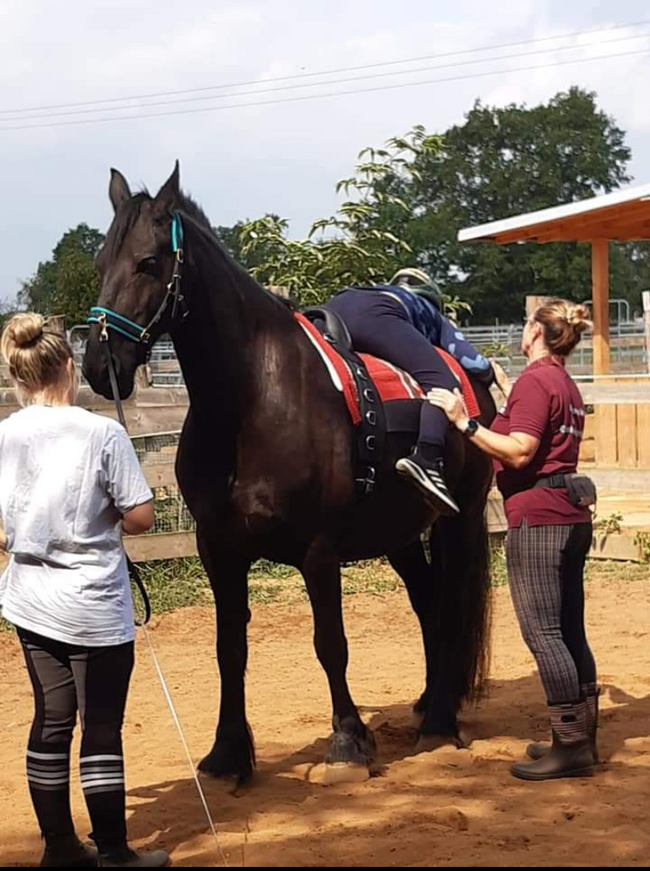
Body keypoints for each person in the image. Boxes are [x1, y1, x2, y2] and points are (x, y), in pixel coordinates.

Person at [0, 314, 170, 868]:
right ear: (69, 369)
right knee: (100, 727)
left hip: (30, 597)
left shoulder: (5, 434)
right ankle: (116, 853)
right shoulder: (102, 432)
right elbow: (141, 517)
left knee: (50, 721)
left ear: (20, 377)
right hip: (93, 601)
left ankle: (59, 848)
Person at [428, 299, 598, 782]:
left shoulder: (535, 383)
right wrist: (507, 394)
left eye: (526, 324)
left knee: (543, 634)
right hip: (569, 515)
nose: (520, 331)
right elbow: (535, 435)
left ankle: (570, 747)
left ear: (536, 333)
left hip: (537, 519)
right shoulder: (561, 383)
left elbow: (520, 452)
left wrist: (464, 420)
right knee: (569, 630)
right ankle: (583, 736)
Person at [326, 268, 494, 515]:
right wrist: (491, 371)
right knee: (443, 381)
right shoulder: (429, 310)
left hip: (329, 310)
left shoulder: (374, 290)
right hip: (374, 316)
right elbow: (472, 362)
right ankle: (427, 456)